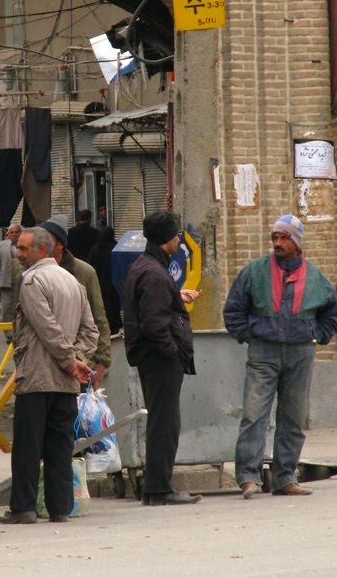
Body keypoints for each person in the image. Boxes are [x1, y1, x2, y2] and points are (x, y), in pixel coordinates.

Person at [223, 214, 337, 498]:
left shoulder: (315, 277)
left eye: (284, 237)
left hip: (301, 352)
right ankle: (248, 478)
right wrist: (250, 334)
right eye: (275, 237)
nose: (277, 243)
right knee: (254, 415)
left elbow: (332, 313)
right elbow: (234, 310)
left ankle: (285, 477)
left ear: (297, 242)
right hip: (263, 350)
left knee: (293, 417)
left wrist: (317, 334)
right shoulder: (254, 271)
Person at [0, 227, 98, 525]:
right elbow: (89, 332)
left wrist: (70, 362)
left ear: (42, 251)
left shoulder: (32, 281)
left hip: (38, 378)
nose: (18, 254)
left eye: (24, 249)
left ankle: (24, 507)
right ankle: (59, 507)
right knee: (59, 447)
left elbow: (47, 328)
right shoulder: (72, 282)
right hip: (65, 383)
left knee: (28, 446)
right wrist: (78, 360)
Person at [123, 211, 201, 506]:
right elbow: (155, 322)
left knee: (163, 421)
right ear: (168, 238)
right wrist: (172, 353)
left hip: (153, 357)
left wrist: (178, 296)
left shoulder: (147, 266)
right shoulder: (155, 273)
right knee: (164, 424)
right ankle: (158, 488)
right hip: (160, 359)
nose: (179, 239)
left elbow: (154, 307)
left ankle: (157, 487)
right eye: (176, 235)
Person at [40, 215, 112, 388]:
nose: (40, 243)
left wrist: (102, 361)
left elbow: (98, 318)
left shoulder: (84, 273)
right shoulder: (30, 273)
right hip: (41, 365)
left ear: (60, 244)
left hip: (78, 362)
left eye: (46, 239)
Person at [0, 224, 22, 340]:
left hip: (21, 283)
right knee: (7, 308)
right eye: (11, 232)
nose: (14, 235)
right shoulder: (2, 245)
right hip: (6, 283)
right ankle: (9, 334)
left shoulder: (25, 246)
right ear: (8, 234)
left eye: (16, 232)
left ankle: (19, 333)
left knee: (19, 309)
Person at [87, 227, 122, 335]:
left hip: (99, 281)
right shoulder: (116, 247)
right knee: (113, 305)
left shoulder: (95, 248)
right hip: (112, 282)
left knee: (101, 305)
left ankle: (103, 327)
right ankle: (114, 326)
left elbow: (89, 263)